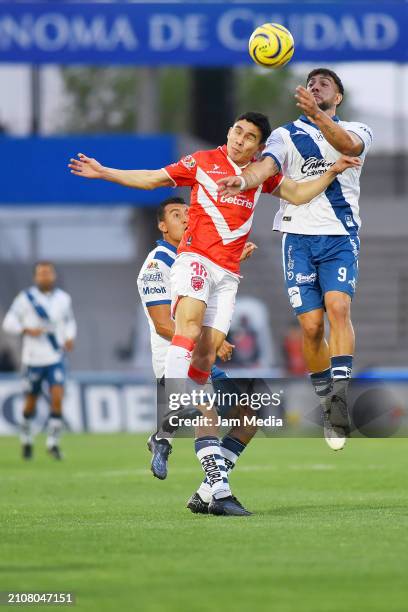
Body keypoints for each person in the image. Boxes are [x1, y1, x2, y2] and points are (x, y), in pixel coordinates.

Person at [69, 111, 360, 514]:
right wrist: (105, 173)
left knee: (206, 356)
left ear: (259, 146)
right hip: (195, 261)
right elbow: (153, 178)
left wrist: (332, 171)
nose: (240, 139)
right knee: (187, 329)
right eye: (236, 131)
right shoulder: (202, 162)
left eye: (249, 136)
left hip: (228, 274)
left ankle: (177, 451)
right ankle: (176, 409)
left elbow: (295, 194)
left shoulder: (260, 175)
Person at [217, 69, 373, 451]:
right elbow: (267, 166)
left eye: (325, 84)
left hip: (339, 235)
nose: (316, 86)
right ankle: (326, 397)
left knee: (338, 307)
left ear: (337, 97)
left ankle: (338, 398)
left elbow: (347, 146)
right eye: (312, 82)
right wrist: (244, 180)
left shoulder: (359, 129)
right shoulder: (285, 135)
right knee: (310, 326)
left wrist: (319, 116)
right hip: (297, 237)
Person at [137, 195, 258, 514]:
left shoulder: (196, 258)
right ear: (163, 226)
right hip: (175, 361)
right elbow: (165, 325)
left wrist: (231, 262)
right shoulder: (156, 265)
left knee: (248, 418)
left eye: (190, 213)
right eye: (177, 215)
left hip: (200, 357)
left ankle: (203, 491)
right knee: (209, 417)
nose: (187, 219)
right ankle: (221, 494)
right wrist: (213, 341)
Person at [2, 262, 76, 460]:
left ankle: (53, 443)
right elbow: (8, 323)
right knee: (30, 403)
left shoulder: (63, 298)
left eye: (48, 273)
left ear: (53, 276)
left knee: (58, 397)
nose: (45, 277)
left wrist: (69, 337)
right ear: (36, 277)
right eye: (41, 274)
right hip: (33, 359)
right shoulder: (25, 299)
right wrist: (26, 330)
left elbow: (69, 322)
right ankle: (26, 437)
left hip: (55, 357)